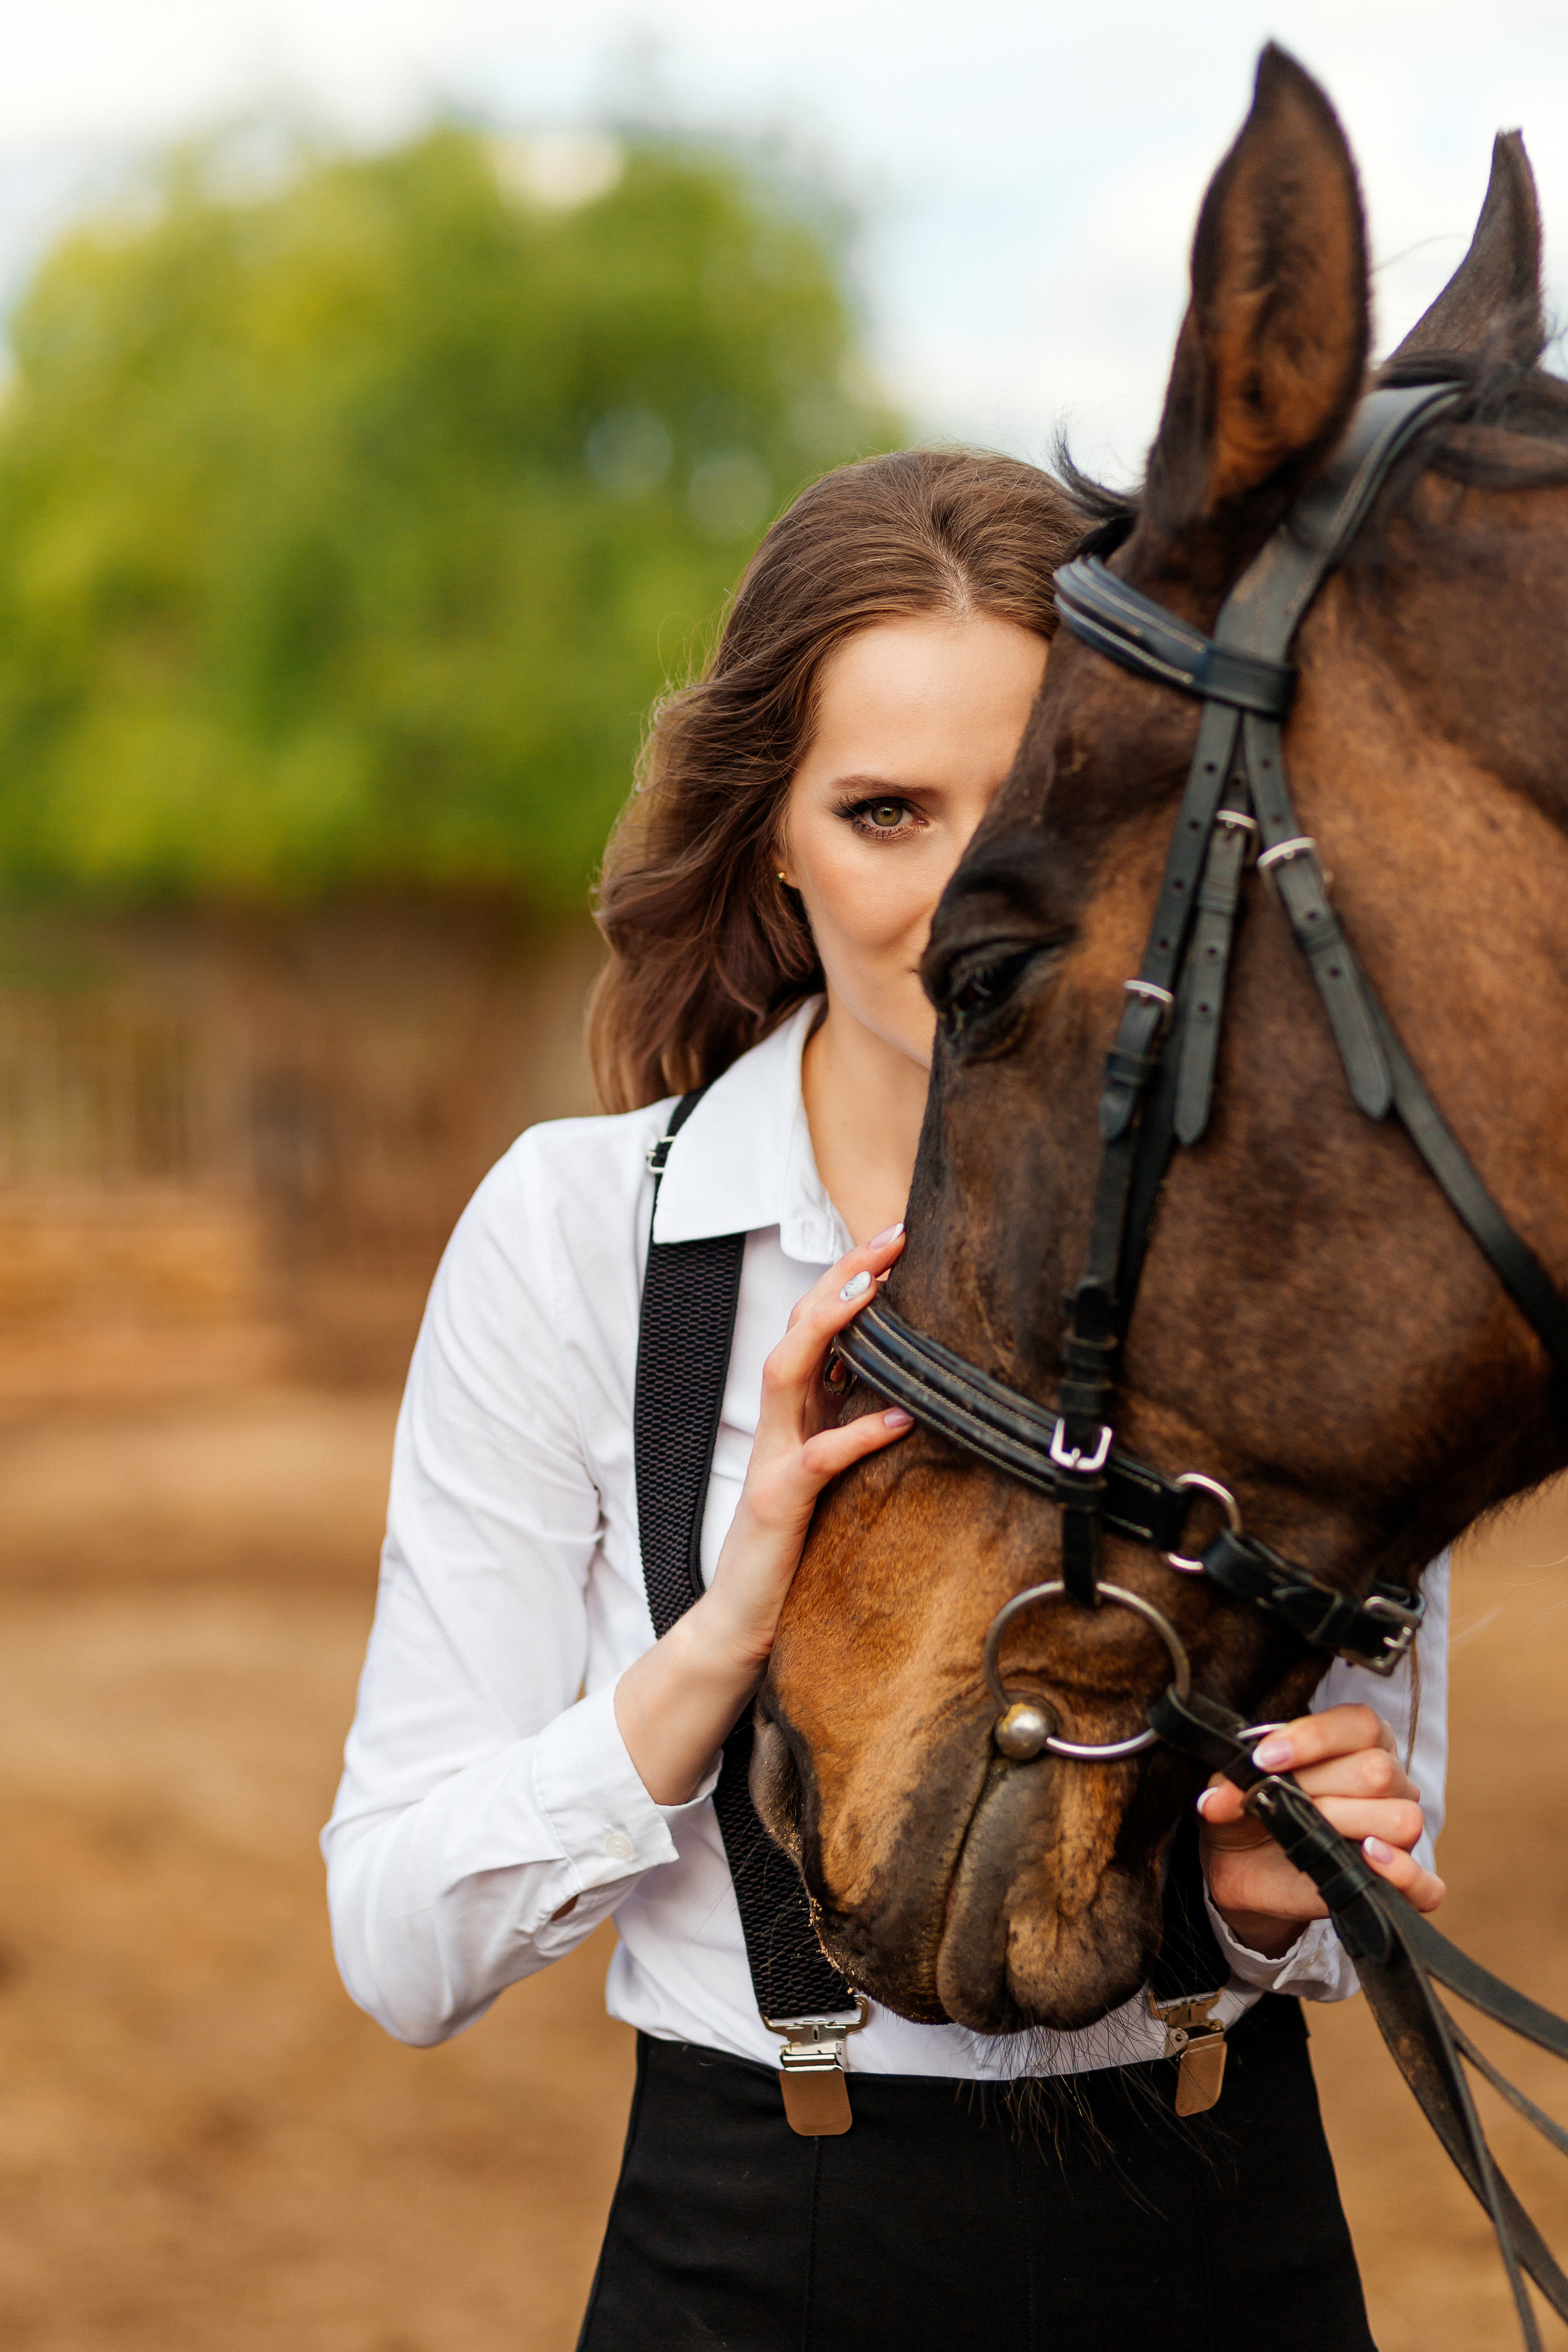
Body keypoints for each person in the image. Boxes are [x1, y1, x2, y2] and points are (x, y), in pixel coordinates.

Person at [323, 448, 1449, 2351]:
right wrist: (716, 1649)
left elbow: (1365, 1875)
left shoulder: (1297, 1253)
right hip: (765, 2246)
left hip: (1228, 2229)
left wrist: (1275, 1903)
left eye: (1032, 808)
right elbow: (399, 1945)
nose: (966, 899)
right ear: (771, 831)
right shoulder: (581, 1236)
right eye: (885, 813)